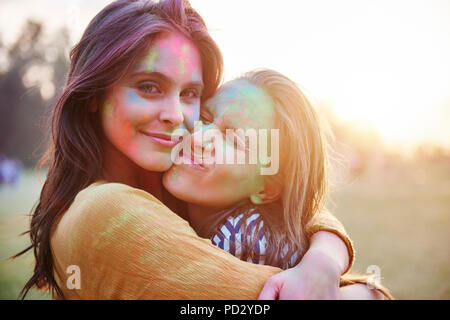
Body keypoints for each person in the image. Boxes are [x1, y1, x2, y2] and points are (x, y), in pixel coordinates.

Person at [16, 0, 369, 299]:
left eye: (189, 95)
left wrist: (324, 255)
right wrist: (365, 289)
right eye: (149, 86)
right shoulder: (107, 212)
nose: (177, 117)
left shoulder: (172, 187)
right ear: (95, 94)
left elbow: (293, 203)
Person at [163, 69, 391, 299]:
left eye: (233, 139)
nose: (198, 138)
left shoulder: (241, 240)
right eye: (204, 118)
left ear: (266, 189)